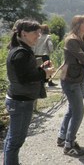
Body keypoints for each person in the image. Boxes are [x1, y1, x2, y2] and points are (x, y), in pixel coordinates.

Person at [3, 19, 55, 165]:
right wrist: (44, 73)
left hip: (19, 99)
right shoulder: (21, 52)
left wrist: (40, 67)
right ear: (24, 33)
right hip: (20, 102)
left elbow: (25, 72)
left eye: (39, 32)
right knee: (15, 141)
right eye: (35, 33)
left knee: (12, 139)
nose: (38, 36)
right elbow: (24, 78)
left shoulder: (20, 49)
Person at [58, 15, 84, 157]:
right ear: (77, 24)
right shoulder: (72, 40)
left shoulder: (83, 39)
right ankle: (69, 145)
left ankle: (62, 137)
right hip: (70, 80)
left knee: (71, 110)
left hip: (77, 79)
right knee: (78, 112)